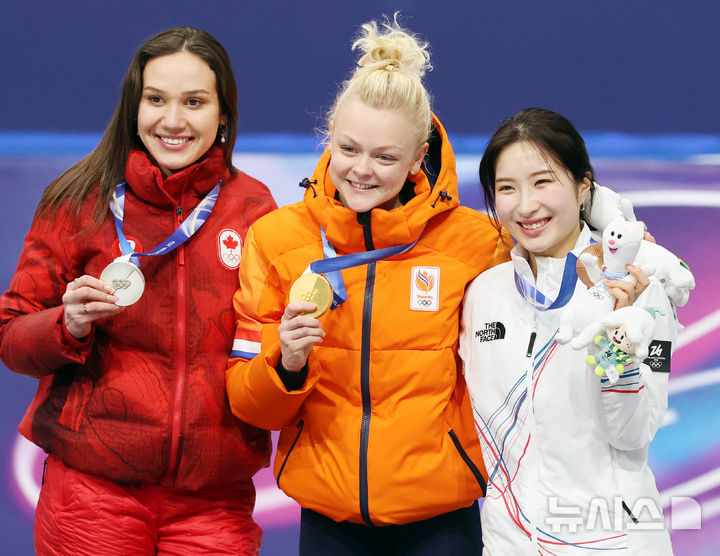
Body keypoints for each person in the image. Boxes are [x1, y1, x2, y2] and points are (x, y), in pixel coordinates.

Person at [225, 16, 510, 556]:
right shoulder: (277, 241)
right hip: (328, 514)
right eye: (349, 149)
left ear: (418, 156)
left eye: (385, 157)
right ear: (329, 136)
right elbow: (250, 406)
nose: (362, 170)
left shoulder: (477, 244)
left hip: (442, 518)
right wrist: (286, 363)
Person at [0, 27, 277, 555]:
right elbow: (11, 336)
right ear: (134, 107)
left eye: (194, 102)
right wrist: (66, 324)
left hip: (214, 501)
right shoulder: (78, 200)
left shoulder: (255, 210)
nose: (172, 120)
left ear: (223, 115)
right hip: (92, 493)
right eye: (156, 100)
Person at [459, 108, 684, 554]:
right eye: (507, 188)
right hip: (508, 544)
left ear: (584, 187)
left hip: (612, 542)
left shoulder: (638, 287)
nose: (525, 206)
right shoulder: (483, 293)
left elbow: (633, 432)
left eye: (543, 182)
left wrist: (613, 346)